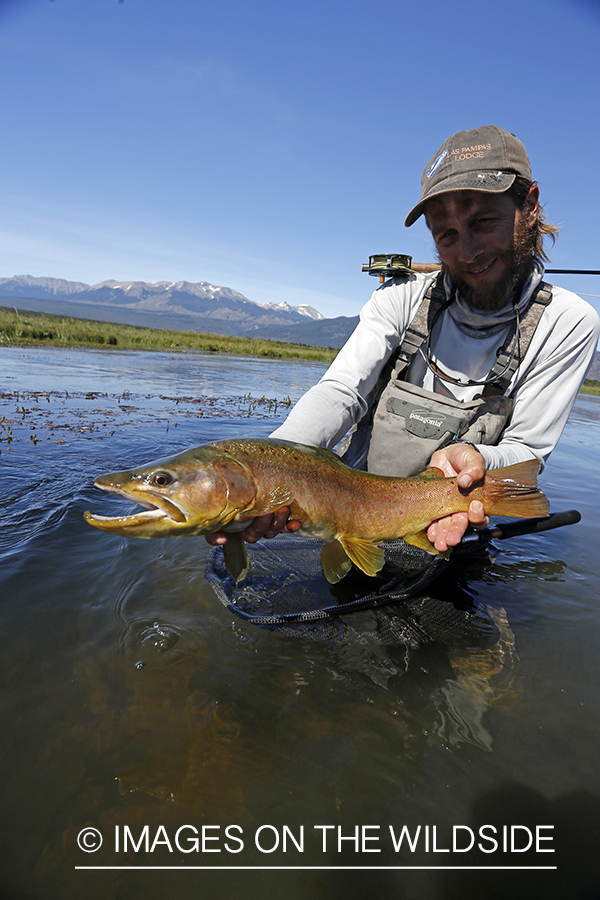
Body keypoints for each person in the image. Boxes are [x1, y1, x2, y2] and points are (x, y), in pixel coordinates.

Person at [206, 125, 600, 556]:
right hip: (349, 514)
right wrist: (271, 467)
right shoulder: (400, 296)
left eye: (483, 221)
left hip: (455, 523)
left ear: (530, 204)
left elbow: (526, 451)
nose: (466, 252)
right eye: (445, 234)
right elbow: (342, 391)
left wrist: (479, 459)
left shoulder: (569, 321)